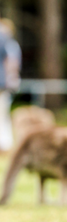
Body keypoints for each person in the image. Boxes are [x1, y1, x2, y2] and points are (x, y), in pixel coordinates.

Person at [0, 19, 21, 151]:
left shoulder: (9, 44)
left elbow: (12, 63)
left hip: (3, 84)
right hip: (3, 82)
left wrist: (12, 79)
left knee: (2, 113)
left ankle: (5, 144)